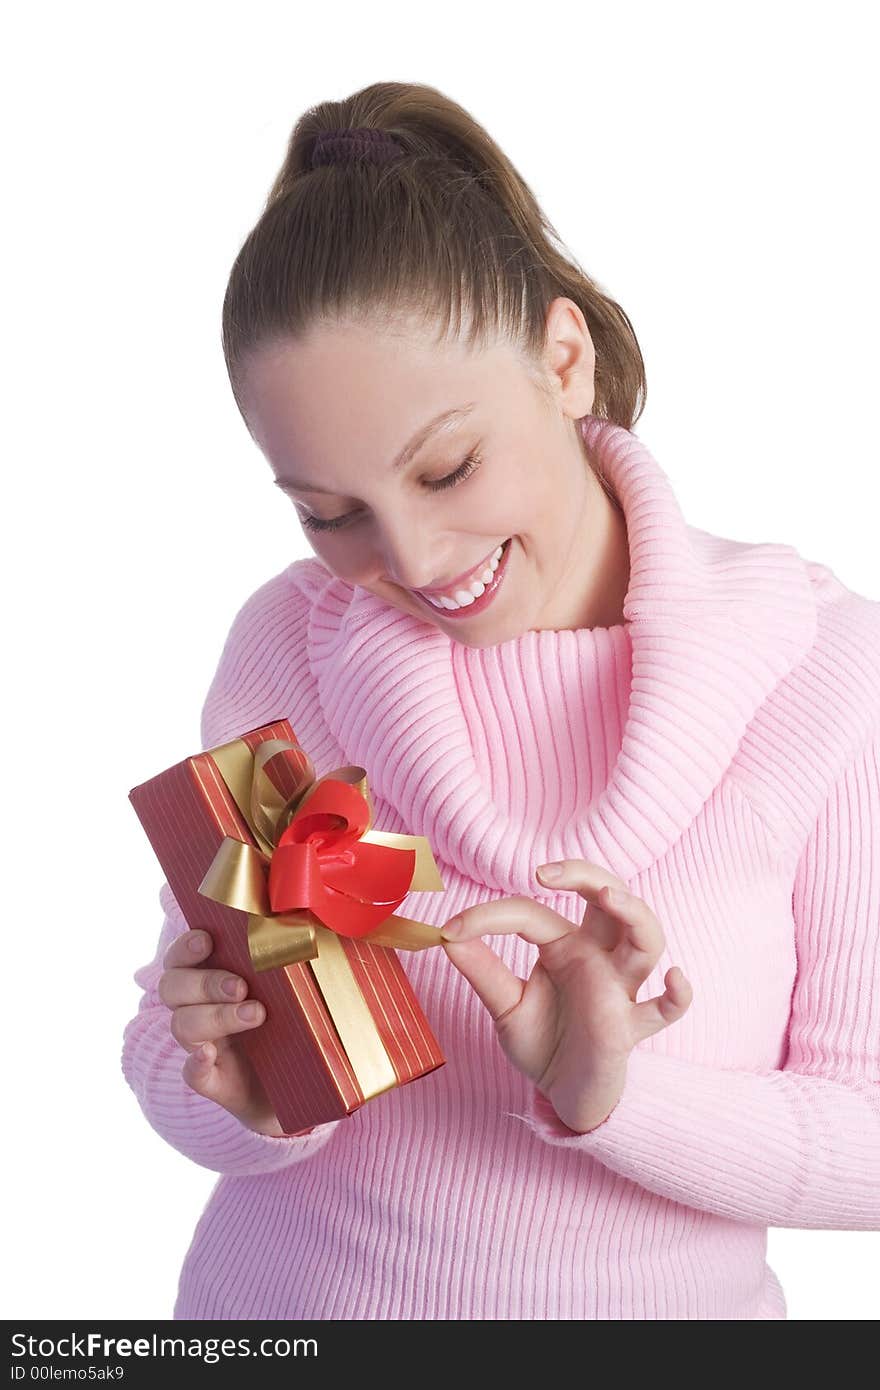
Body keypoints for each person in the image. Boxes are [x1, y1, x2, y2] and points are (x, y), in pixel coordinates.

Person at [121, 81, 880, 1321]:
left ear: (562, 358)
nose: (411, 561)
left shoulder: (824, 669)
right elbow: (170, 1037)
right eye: (328, 511)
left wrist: (618, 1092)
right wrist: (246, 1094)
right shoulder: (292, 644)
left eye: (446, 466)